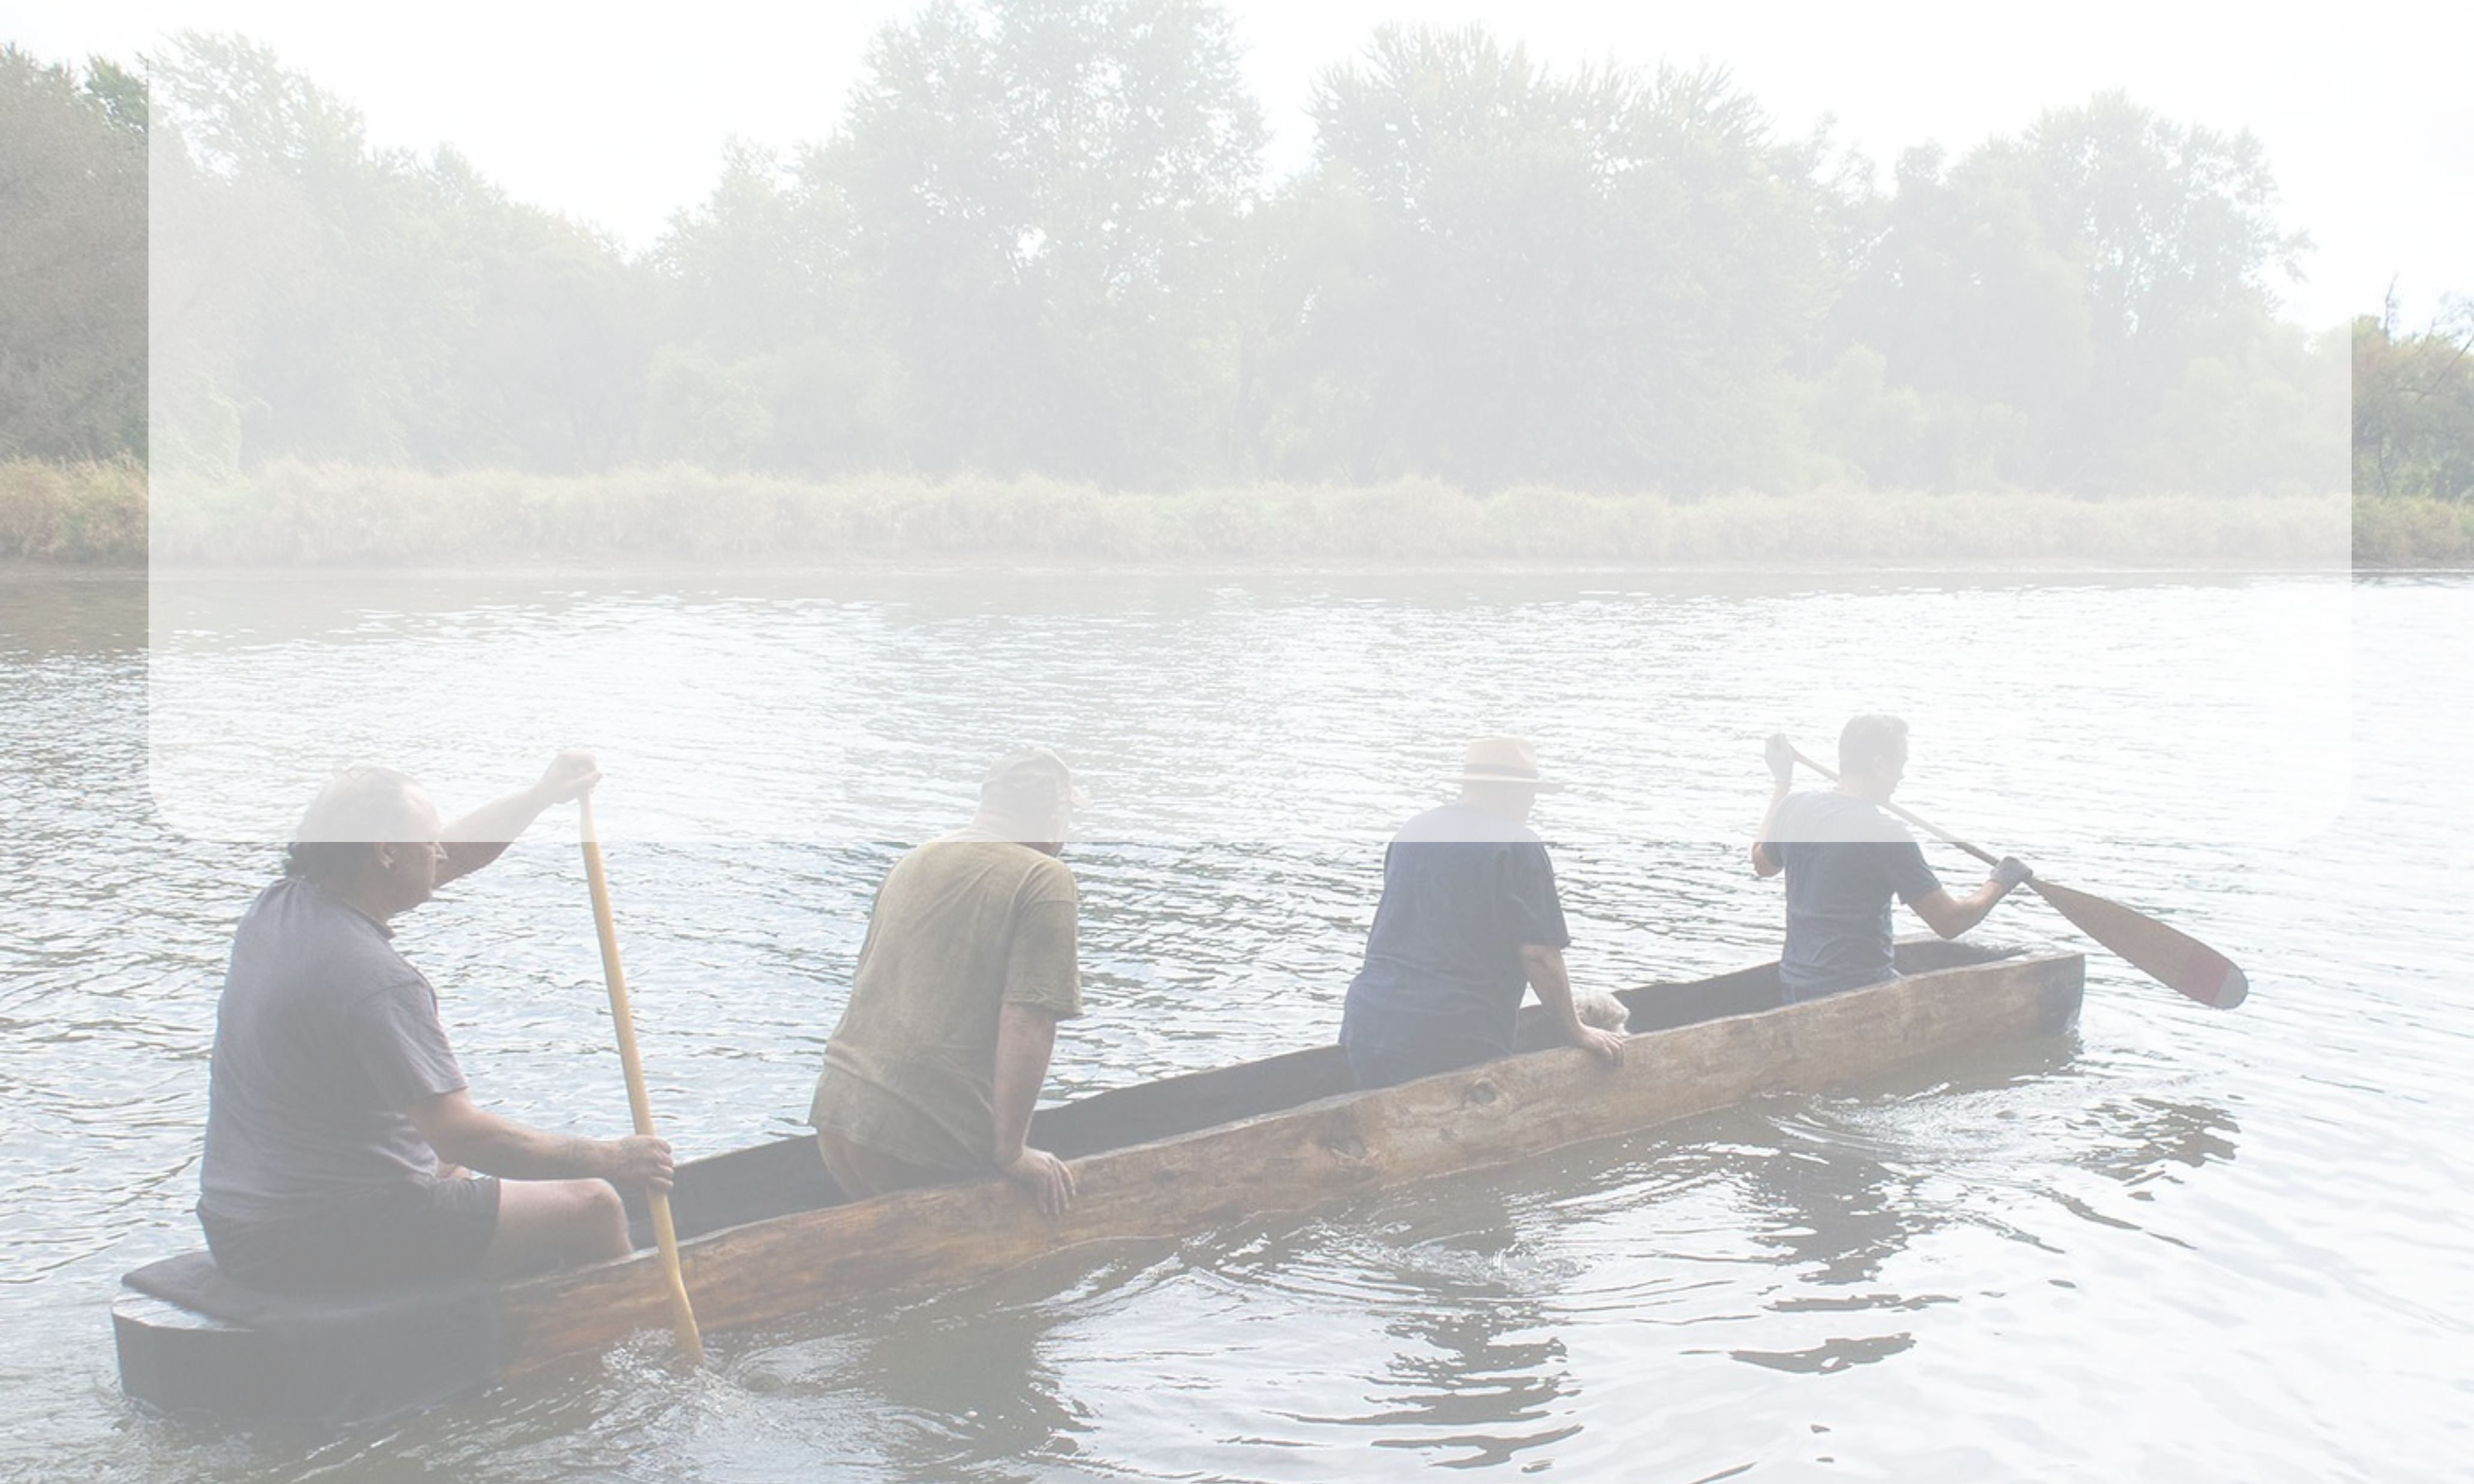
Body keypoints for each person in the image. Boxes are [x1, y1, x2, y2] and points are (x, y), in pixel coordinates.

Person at [196, 753, 674, 1292]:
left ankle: (476, 1308)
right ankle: (618, 1347)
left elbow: (453, 855)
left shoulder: (276, 907)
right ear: (386, 854)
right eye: (429, 839)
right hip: (310, 1239)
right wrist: (611, 1157)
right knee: (593, 1202)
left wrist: (540, 796)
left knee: (452, 1175)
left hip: (237, 1224)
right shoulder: (377, 980)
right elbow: (461, 1135)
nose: (441, 852)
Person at [809, 747, 1086, 1217]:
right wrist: (1012, 1152)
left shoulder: (915, 859)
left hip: (838, 1115)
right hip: (920, 1136)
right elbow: (1029, 1020)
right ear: (1054, 814)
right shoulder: (1044, 878)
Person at [1337, 736, 1628, 1089]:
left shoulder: (1413, 830)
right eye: (1530, 791)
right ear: (1511, 792)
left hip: (1367, 1023)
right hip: (1451, 1036)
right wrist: (1576, 1031)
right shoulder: (1517, 845)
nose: (1533, 800)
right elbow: (1540, 955)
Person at [1751, 715, 2033, 1003]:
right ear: (1879, 764)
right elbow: (1950, 922)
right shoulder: (1886, 834)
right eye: (1901, 764)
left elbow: (1762, 863)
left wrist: (1782, 782)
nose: (1902, 776)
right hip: (1859, 992)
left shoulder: (1794, 807)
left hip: (1794, 982)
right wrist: (2001, 881)